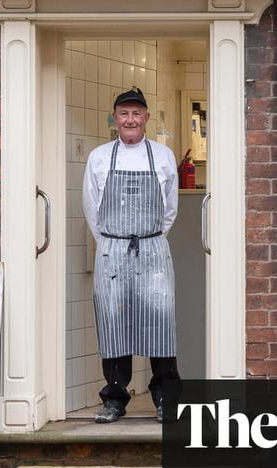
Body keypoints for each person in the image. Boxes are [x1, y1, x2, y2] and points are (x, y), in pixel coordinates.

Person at [82, 87, 180, 424]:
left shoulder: (163, 156)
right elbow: (92, 208)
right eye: (124, 113)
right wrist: (113, 241)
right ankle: (114, 398)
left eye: (137, 113)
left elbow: (169, 209)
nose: (130, 119)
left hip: (152, 247)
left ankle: (166, 398)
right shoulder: (98, 157)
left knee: (160, 321)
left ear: (146, 118)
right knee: (113, 322)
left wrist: (148, 237)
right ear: (115, 118)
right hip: (111, 249)